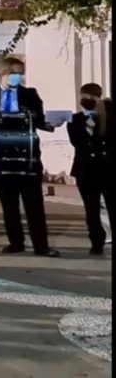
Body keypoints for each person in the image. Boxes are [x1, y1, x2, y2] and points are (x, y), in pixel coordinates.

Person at [0, 57, 59, 257]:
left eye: (20, 73)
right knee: (8, 204)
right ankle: (16, 242)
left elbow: (39, 118)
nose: (18, 77)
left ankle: (41, 245)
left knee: (34, 203)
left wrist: (49, 122)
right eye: (14, 73)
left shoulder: (30, 94)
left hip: (26, 157)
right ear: (2, 74)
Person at [66, 84, 112, 255]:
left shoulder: (109, 115)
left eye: (91, 97)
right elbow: (78, 141)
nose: (86, 100)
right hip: (86, 170)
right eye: (84, 96)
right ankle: (96, 242)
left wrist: (101, 112)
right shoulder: (75, 119)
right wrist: (91, 119)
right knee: (91, 210)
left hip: (107, 169)